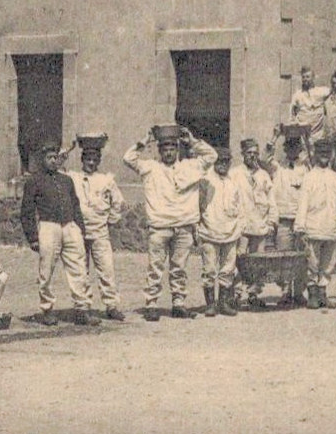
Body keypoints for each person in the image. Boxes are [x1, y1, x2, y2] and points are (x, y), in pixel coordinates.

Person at [122, 124, 216, 320]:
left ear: (178, 150)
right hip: (159, 227)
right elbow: (128, 158)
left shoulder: (190, 166)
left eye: (172, 149)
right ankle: (152, 304)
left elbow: (211, 156)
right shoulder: (151, 168)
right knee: (155, 268)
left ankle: (179, 303)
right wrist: (144, 141)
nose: (169, 153)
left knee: (179, 268)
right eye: (165, 149)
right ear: (160, 151)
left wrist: (192, 141)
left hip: (184, 227)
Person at [21, 143, 93, 326]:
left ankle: (82, 309)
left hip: (70, 226)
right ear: (41, 160)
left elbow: (76, 206)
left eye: (55, 157)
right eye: (49, 158)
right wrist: (33, 238)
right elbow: (27, 211)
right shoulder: (34, 181)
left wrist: (80, 230)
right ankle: (47, 309)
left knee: (78, 268)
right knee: (46, 271)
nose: (53, 161)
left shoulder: (66, 180)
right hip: (48, 227)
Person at [67, 132, 125, 321]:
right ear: (82, 160)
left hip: (100, 232)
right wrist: (69, 148)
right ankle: (82, 306)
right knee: (80, 270)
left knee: (106, 269)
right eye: (88, 159)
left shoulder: (106, 180)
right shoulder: (73, 177)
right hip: (78, 230)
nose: (91, 163)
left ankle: (112, 305)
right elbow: (57, 164)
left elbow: (118, 202)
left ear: (98, 161)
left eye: (94, 159)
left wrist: (111, 220)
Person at [297, 139, 336, 309]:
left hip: (331, 227)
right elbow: (303, 203)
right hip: (313, 226)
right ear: (315, 154)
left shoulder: (335, 177)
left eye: (327, 154)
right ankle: (312, 295)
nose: (324, 157)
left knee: (328, 263)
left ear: (331, 156)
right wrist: (301, 228)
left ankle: (323, 294)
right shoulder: (308, 177)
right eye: (321, 153)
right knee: (312, 263)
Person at [195, 147, 248, 317]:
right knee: (210, 270)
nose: (223, 164)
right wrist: (198, 228)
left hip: (230, 233)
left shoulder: (234, 183)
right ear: (214, 162)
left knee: (227, 270)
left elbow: (240, 209)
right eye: (220, 161)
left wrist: (239, 229)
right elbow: (197, 206)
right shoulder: (205, 181)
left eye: (226, 161)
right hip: (209, 233)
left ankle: (224, 303)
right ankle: (211, 304)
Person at [238, 138, 278, 308]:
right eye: (249, 153)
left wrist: (271, 223)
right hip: (241, 227)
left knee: (258, 264)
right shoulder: (235, 174)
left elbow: (272, 201)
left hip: (260, 226)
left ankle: (254, 294)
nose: (252, 156)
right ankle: (236, 294)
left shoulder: (263, 175)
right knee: (238, 261)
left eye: (255, 153)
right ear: (243, 154)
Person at [271, 129, 309, 252]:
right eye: (289, 146)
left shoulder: (306, 167)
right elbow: (263, 159)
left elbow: (314, 157)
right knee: (283, 257)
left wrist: (306, 137)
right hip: (284, 221)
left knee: (304, 259)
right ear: (285, 148)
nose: (292, 149)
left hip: (303, 220)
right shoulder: (278, 167)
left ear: (300, 149)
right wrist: (274, 137)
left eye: (295, 146)